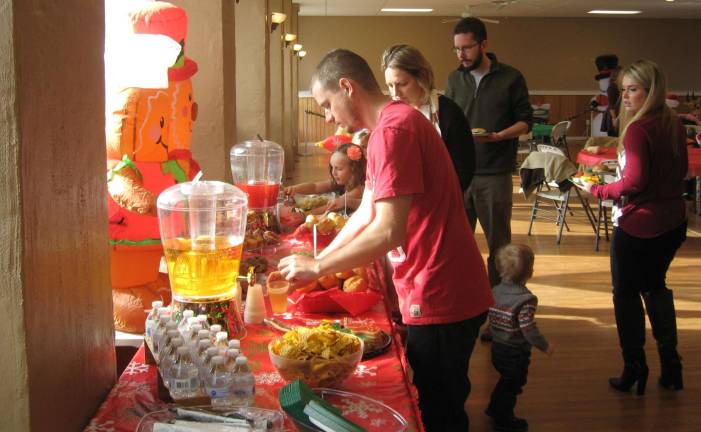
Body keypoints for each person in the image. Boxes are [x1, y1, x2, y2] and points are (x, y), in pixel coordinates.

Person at [278, 48, 493, 432]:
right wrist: (322, 255)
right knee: (432, 398)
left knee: (439, 412)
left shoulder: (394, 130)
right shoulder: (387, 127)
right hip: (431, 283)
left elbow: (388, 229)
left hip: (442, 290)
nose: (327, 117)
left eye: (327, 105)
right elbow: (366, 212)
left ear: (347, 87)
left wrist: (320, 266)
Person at [577, 59, 688, 394]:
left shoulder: (640, 129)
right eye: (623, 89)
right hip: (673, 221)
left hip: (640, 224)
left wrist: (597, 189)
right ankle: (671, 366)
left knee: (625, 294)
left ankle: (634, 367)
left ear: (650, 91)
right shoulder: (672, 123)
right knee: (655, 287)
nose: (625, 96)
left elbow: (635, 182)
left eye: (633, 89)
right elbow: (679, 170)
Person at [445, 17, 533, 290]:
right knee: (456, 243)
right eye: (457, 49)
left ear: (483, 44)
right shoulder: (454, 79)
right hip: (460, 174)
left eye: (467, 48)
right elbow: (449, 120)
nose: (461, 54)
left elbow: (526, 121)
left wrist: (498, 136)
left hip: (495, 173)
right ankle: (465, 302)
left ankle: (500, 305)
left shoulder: (511, 77)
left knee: (499, 246)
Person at [382, 44, 476, 192]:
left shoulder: (449, 113)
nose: (395, 93)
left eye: (402, 84)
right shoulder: (390, 116)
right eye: (390, 85)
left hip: (445, 199)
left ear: (421, 77)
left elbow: (464, 169)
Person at [487, 244, 553, 432]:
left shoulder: (495, 291)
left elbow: (490, 315)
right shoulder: (526, 299)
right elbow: (528, 329)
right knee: (513, 384)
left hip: (497, 349)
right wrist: (544, 346)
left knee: (505, 381)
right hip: (515, 353)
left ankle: (495, 408)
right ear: (529, 272)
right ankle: (503, 419)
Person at [285, 143, 366, 214]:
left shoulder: (359, 189)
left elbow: (332, 207)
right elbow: (315, 187)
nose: (333, 173)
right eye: (332, 167)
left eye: (339, 169)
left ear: (354, 169)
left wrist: (303, 215)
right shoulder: (343, 181)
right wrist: (293, 189)